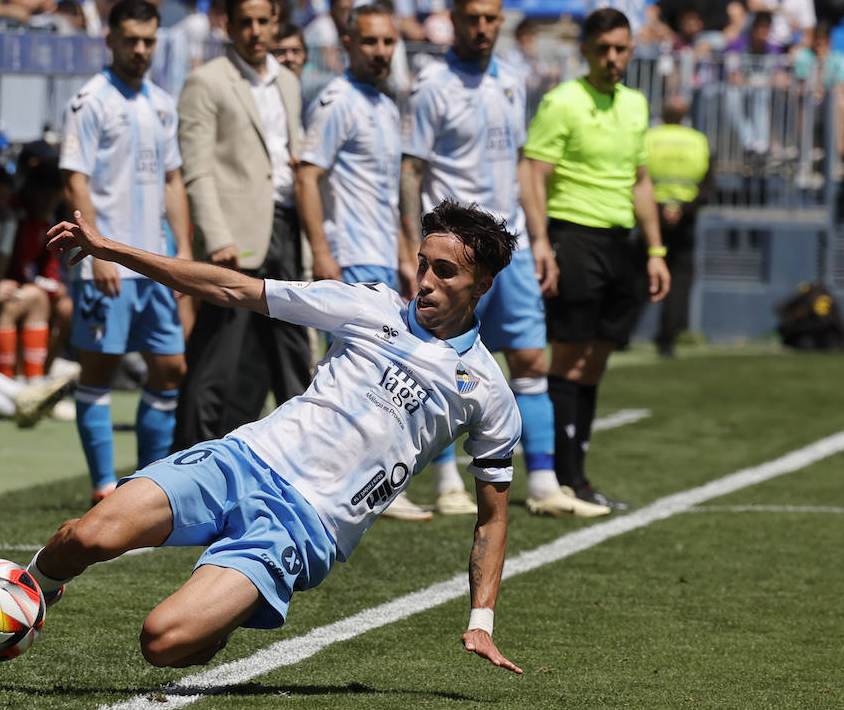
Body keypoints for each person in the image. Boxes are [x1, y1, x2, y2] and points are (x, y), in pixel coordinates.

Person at [27, 200, 524, 673]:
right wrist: (113, 250)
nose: (426, 282)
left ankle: (225, 608)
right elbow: (235, 289)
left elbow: (492, 517)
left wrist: (482, 619)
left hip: (304, 525)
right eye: (423, 264)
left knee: (163, 643)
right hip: (243, 460)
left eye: (445, 271)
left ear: (482, 284)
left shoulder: (486, 391)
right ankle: (31, 589)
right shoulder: (369, 306)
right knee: (86, 536)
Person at [407, 0, 609, 519]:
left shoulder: (514, 80)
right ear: (453, 16)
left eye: (491, 17)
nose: (482, 27)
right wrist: (416, 250)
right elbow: (413, 170)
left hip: (511, 246)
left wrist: (539, 238)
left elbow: (522, 161)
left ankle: (543, 483)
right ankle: (446, 480)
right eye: (472, 17)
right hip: (454, 253)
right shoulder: (431, 85)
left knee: (529, 359)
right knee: (442, 361)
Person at [520, 7, 671, 510]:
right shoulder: (562, 102)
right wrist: (541, 241)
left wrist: (655, 251)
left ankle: (578, 477)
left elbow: (641, 180)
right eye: (602, 48)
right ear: (584, 50)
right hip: (572, 234)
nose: (611, 58)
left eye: (620, 48)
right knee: (569, 353)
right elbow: (533, 173)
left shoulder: (634, 104)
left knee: (598, 357)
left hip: (619, 241)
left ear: (631, 50)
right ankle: (558, 477)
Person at [295, 2, 432, 521]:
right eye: (370, 42)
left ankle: (363, 485)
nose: (380, 51)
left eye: (388, 42)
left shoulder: (383, 103)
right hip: (349, 255)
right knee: (357, 381)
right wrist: (323, 252)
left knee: (379, 380)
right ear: (348, 45)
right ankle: (338, 483)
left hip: (380, 255)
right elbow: (308, 176)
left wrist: (405, 252)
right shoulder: (337, 100)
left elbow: (389, 192)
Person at [60, 0, 192, 504]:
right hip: (108, 262)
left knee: (169, 368)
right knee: (99, 369)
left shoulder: (162, 102)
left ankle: (144, 481)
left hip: (154, 262)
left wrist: (181, 251)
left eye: (148, 41)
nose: (140, 50)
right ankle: (101, 486)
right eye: (131, 40)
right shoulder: (90, 100)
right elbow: (75, 179)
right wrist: (98, 252)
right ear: (111, 40)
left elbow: (174, 179)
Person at [175, 0, 313, 450]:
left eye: (263, 21)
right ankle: (184, 473)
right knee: (215, 362)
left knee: (293, 359)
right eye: (245, 22)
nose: (255, 31)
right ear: (227, 26)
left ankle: (306, 473)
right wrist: (216, 235)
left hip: (287, 228)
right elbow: (196, 169)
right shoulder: (207, 81)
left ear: (275, 23)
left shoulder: (289, 81)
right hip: (234, 235)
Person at [641, 95, 711, 357]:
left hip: (651, 214)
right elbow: (708, 184)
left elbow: (638, 176)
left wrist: (661, 209)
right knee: (679, 279)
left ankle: (621, 333)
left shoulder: (649, 137)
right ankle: (667, 337)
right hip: (686, 218)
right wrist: (681, 209)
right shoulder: (698, 140)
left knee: (639, 275)